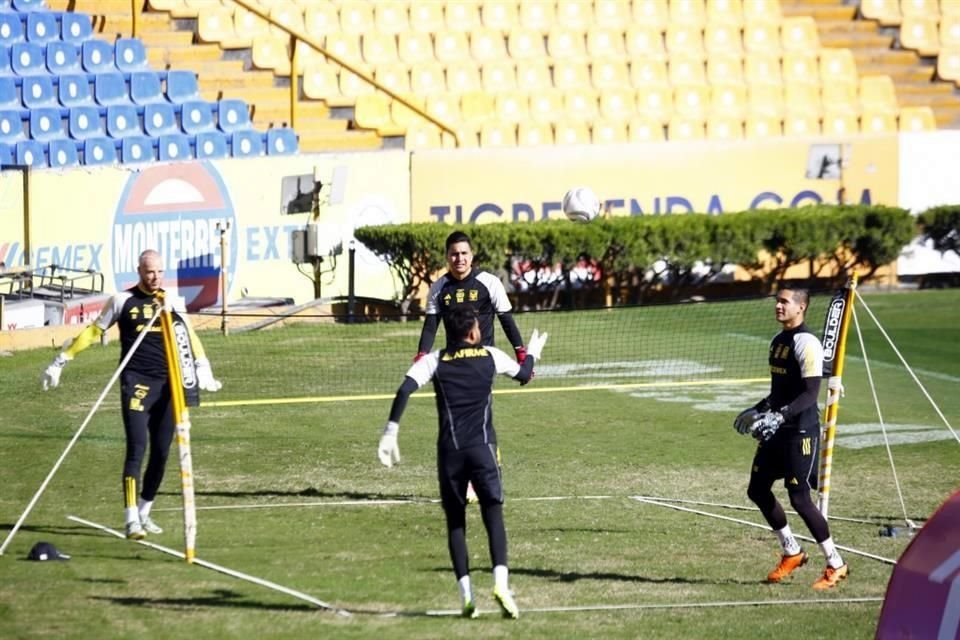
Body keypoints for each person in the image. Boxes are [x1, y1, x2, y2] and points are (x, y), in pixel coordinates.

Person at [41, 250, 222, 540]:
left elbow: (190, 336)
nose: (155, 277)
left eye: (160, 272)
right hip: (136, 383)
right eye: (150, 272)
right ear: (139, 270)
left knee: (162, 453)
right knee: (137, 448)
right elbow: (92, 332)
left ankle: (144, 512)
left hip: (168, 385)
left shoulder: (172, 301)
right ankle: (130, 520)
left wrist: (203, 366)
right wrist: (61, 360)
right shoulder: (122, 301)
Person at [379, 307, 548, 619]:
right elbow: (524, 376)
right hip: (483, 450)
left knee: (456, 523)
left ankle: (467, 598)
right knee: (493, 515)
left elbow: (405, 389)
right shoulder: (491, 356)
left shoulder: (435, 360)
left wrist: (391, 431)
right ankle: (501, 584)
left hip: (450, 453)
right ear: (473, 332)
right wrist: (533, 354)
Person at [734, 287, 848, 590]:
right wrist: (757, 410)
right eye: (777, 301)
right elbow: (779, 392)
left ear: (801, 307)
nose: (778, 306)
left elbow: (810, 393)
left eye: (784, 302)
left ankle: (836, 563)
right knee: (757, 490)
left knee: (800, 499)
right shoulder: (777, 341)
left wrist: (780, 416)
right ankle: (792, 552)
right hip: (776, 429)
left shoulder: (807, 343)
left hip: (800, 432)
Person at [416, 230, 528, 503]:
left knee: (476, 422)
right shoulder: (439, 288)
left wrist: (521, 353)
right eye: (454, 254)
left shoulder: (489, 283)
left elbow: (507, 320)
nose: (459, 258)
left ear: (472, 255)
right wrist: (422, 354)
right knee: (459, 423)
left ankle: (485, 475)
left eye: (464, 253)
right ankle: (480, 475)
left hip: (482, 364)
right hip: (452, 365)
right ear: (447, 257)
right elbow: (431, 326)